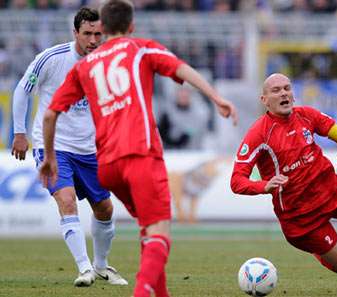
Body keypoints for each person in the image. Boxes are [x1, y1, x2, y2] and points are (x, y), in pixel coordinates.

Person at [38, 0, 238, 296]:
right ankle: (142, 292)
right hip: (141, 154)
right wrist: (215, 97)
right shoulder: (141, 47)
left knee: (147, 227)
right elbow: (182, 70)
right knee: (160, 232)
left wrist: (49, 157)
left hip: (107, 166)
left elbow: (49, 114)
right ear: (131, 26)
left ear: (102, 28)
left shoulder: (86, 66)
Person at [231, 72, 337, 279]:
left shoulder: (307, 115)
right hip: (301, 217)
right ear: (264, 100)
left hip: (333, 190)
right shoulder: (258, 133)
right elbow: (237, 181)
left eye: (287, 88)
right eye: (276, 90)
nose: (283, 93)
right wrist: (264, 185)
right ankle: (319, 250)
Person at [11, 7, 127, 287]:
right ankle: (84, 268)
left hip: (90, 148)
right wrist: (19, 132)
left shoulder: (107, 63)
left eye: (98, 34)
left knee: (105, 209)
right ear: (75, 32)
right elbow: (22, 90)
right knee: (66, 200)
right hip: (54, 146)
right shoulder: (51, 59)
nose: (92, 40)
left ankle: (101, 267)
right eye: (87, 34)